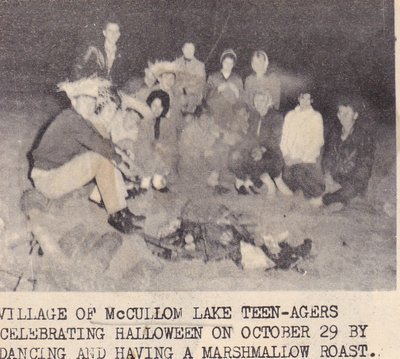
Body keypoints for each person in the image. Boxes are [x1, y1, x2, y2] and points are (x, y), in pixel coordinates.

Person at [29, 78, 143, 234]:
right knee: (99, 158)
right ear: (74, 101)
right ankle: (116, 214)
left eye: (92, 101)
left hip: (58, 175)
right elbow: (101, 147)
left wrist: (131, 164)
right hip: (47, 180)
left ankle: (121, 210)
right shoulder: (70, 119)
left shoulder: (82, 121)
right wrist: (127, 170)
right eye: (85, 101)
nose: (89, 105)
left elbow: (107, 144)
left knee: (102, 157)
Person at [229, 91, 288, 195]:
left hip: (272, 152)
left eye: (262, 100)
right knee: (235, 155)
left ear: (268, 102)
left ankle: (270, 186)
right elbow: (250, 136)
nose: (258, 103)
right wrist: (241, 148)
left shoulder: (276, 117)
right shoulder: (254, 115)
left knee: (258, 160)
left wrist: (261, 150)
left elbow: (275, 139)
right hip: (256, 149)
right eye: (256, 100)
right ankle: (241, 183)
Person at [322, 99, 375, 207]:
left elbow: (365, 168)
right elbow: (327, 157)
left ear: (355, 115)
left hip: (352, 180)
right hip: (334, 177)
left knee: (354, 189)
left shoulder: (364, 137)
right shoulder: (333, 133)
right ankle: (338, 199)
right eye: (340, 113)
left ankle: (329, 200)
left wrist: (342, 186)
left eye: (347, 113)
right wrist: (328, 176)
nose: (343, 116)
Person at [280, 93, 325, 205]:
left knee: (299, 173)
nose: (304, 101)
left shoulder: (316, 116)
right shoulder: (290, 115)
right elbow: (284, 138)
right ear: (298, 99)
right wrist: (286, 155)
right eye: (302, 98)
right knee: (286, 177)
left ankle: (317, 194)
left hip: (306, 159)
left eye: (308, 98)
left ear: (312, 100)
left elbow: (318, 141)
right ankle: (301, 189)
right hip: (290, 159)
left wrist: (300, 159)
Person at [71, 18, 126, 87]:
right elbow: (77, 68)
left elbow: (123, 78)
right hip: (89, 89)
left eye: (116, 31)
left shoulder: (121, 54)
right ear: (104, 33)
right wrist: (89, 83)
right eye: (110, 31)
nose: (113, 34)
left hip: (109, 92)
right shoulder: (93, 49)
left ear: (119, 34)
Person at [174, 42, 206, 114]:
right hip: (178, 95)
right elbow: (173, 81)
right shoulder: (176, 63)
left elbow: (201, 85)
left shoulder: (200, 65)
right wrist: (180, 91)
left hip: (193, 97)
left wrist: (186, 90)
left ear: (194, 50)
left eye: (191, 49)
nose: (189, 51)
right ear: (182, 49)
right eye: (186, 48)